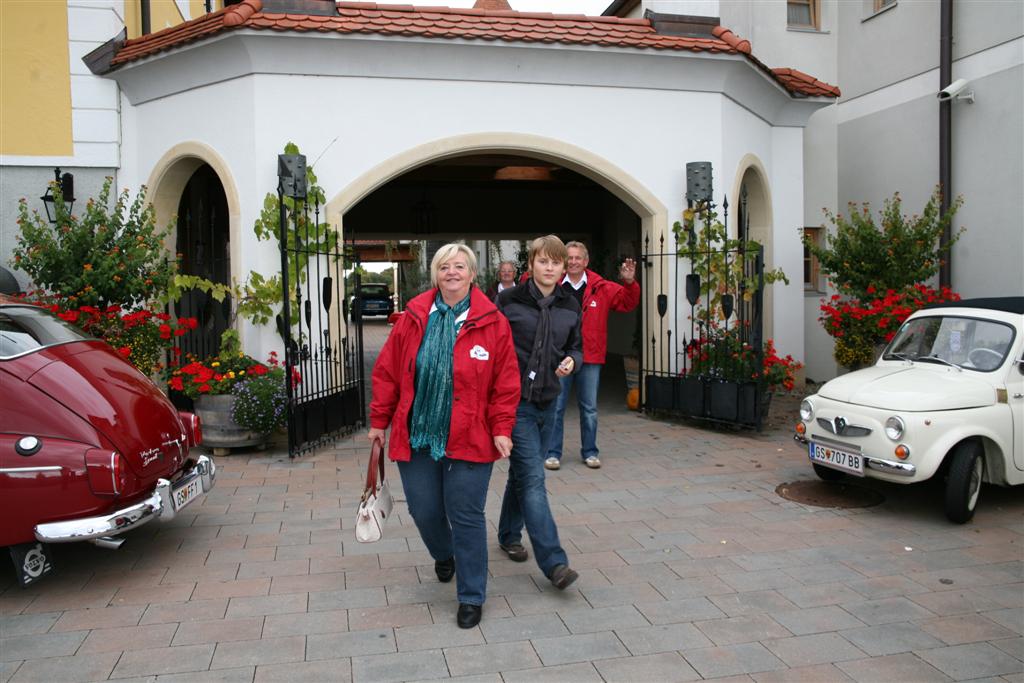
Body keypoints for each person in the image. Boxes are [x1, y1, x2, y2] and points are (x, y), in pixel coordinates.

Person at [368, 243, 520, 629]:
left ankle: (471, 595)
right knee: (424, 510)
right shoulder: (414, 317)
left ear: (472, 274)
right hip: (417, 432)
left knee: (465, 514)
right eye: (444, 267)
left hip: (472, 435)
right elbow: (387, 372)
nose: (452, 272)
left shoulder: (492, 321)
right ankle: (444, 553)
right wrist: (379, 422)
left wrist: (502, 429)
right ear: (436, 274)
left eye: (459, 266)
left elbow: (505, 382)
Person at [494, 235, 582, 587]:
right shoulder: (508, 300)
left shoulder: (571, 304)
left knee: (522, 474)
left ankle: (507, 535)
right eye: (543, 261)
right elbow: (493, 345)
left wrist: (572, 362)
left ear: (564, 267)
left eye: (556, 262)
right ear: (530, 264)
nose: (549, 267)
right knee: (533, 479)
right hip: (516, 403)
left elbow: (577, 346)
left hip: (550, 399)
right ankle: (554, 563)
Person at [542, 241, 638, 470]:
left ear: (586, 262)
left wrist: (629, 282)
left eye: (578, 258)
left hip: (590, 355)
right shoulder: (552, 285)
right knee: (556, 406)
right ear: (565, 261)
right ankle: (552, 452)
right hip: (561, 355)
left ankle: (590, 452)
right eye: (570, 258)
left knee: (589, 408)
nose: (574, 261)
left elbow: (627, 302)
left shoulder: (600, 287)